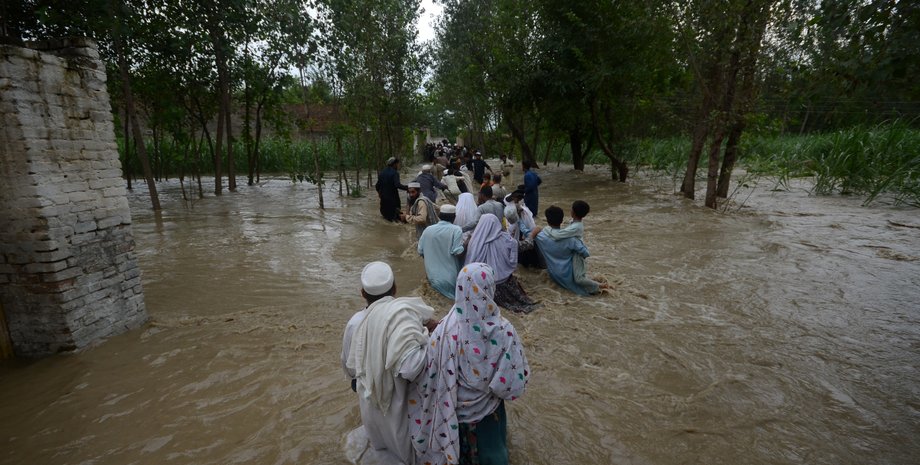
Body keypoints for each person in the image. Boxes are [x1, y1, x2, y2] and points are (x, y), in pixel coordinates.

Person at [408, 263, 530, 465]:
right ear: (489, 289)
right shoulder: (503, 331)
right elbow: (512, 386)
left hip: (453, 416)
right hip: (487, 415)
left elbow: (432, 373)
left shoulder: (445, 328)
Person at [343, 262, 439, 465]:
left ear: (362, 293)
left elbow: (349, 364)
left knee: (378, 438)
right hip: (397, 396)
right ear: (395, 288)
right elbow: (413, 367)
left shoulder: (354, 322)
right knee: (402, 441)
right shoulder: (405, 316)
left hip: (367, 392)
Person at [465, 214, 539, 313]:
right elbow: (525, 245)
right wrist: (532, 234)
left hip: (481, 286)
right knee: (524, 304)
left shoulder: (473, 240)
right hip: (503, 284)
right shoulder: (506, 239)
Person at [544, 200, 605, 295]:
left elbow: (558, 235)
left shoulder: (576, 227)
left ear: (573, 212)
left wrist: (546, 229)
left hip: (578, 254)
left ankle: (599, 286)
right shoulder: (573, 223)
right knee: (579, 275)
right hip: (576, 250)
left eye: (571, 209)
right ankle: (595, 286)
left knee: (579, 279)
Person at [418, 205, 465, 299]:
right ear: (454, 217)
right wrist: (467, 244)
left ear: (439, 215)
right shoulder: (456, 230)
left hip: (432, 277)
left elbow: (420, 251)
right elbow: (458, 253)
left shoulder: (428, 230)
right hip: (449, 279)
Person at [376, 157, 408, 222]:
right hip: (393, 200)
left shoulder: (382, 173)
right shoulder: (395, 173)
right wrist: (408, 188)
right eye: (397, 164)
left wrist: (379, 193)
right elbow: (397, 185)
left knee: (386, 218)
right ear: (394, 164)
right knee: (396, 219)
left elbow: (377, 186)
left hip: (383, 200)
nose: (398, 166)